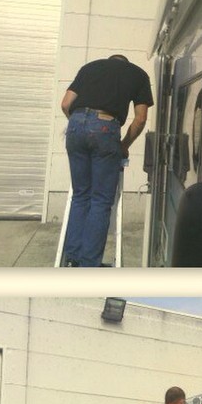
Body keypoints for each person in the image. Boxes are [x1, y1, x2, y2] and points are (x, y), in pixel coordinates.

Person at [59, 54, 153, 267]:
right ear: (125, 64)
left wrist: (80, 126)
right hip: (105, 125)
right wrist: (124, 145)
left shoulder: (89, 67)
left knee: (80, 195)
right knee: (100, 201)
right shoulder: (138, 74)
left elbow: (65, 104)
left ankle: (72, 259)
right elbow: (140, 119)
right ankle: (89, 264)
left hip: (75, 125)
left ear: (109, 61)